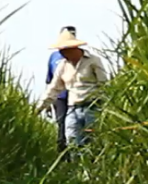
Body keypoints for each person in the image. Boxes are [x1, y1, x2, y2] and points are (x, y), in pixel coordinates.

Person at [38, 29, 108, 160]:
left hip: (92, 107)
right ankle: (80, 172)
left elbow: (103, 84)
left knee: (92, 142)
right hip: (72, 109)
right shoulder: (63, 66)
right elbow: (53, 88)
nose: (61, 53)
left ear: (74, 48)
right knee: (73, 142)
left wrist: (105, 105)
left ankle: (94, 173)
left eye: (64, 50)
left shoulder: (93, 61)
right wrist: (40, 107)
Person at [45, 26, 76, 153]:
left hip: (75, 95)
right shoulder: (54, 57)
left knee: (76, 125)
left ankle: (79, 155)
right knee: (61, 124)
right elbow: (50, 80)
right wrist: (47, 103)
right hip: (60, 97)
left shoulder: (79, 56)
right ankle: (63, 156)